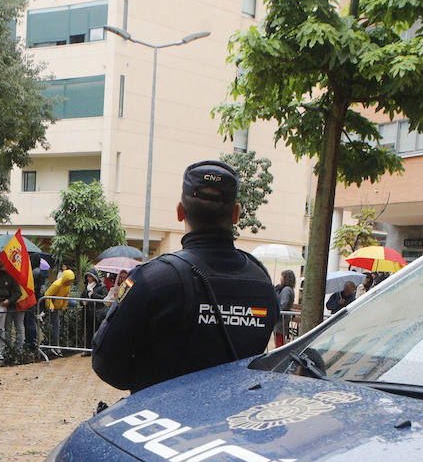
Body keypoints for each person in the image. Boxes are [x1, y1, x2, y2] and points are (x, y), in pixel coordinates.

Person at [91, 160, 277, 392]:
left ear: (180, 211)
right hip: (232, 423)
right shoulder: (261, 282)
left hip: (160, 421)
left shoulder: (152, 280)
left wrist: (151, 383)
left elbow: (105, 363)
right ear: (236, 214)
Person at [274, 268, 296, 347]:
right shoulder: (288, 289)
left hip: (281, 319)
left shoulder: (286, 290)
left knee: (279, 339)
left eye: (282, 277)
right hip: (282, 318)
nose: (280, 279)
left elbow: (283, 304)